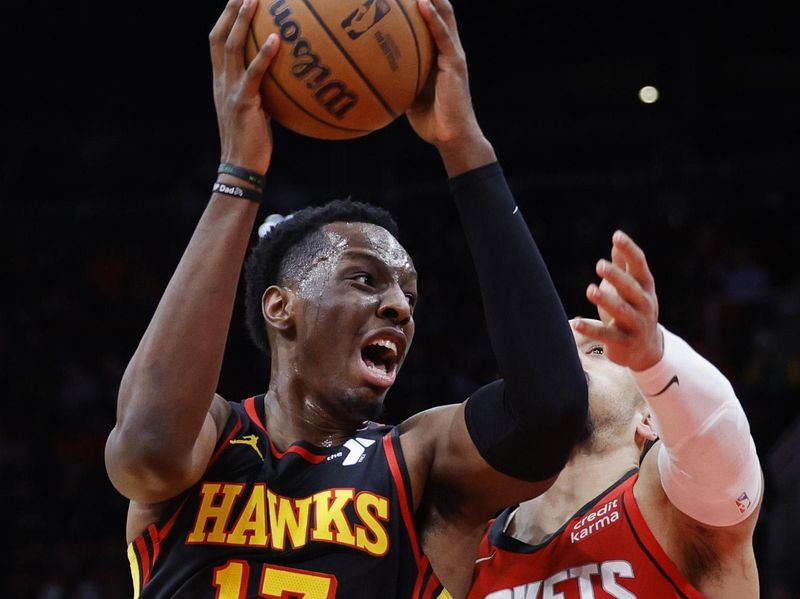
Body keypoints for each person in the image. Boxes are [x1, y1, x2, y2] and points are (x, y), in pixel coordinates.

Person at [103, 0, 589, 597]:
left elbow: (550, 412)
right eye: (366, 279)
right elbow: (145, 445)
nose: (400, 307)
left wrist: (465, 147)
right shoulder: (209, 438)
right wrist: (239, 175)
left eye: (410, 294)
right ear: (281, 306)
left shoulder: (419, 465)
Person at [468, 231, 764, 599]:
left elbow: (717, 439)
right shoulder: (466, 552)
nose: (563, 363)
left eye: (594, 352)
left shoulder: (670, 510)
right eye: (554, 354)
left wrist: (655, 358)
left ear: (650, 419)